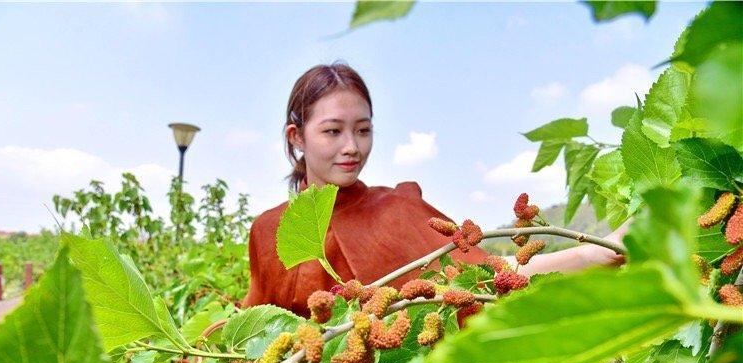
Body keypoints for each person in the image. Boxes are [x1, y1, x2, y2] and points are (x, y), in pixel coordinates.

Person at [242, 62, 626, 318]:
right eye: (332, 131)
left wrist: (598, 253)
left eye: (363, 129)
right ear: (297, 137)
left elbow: (482, 279)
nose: (352, 147)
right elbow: (256, 329)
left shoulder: (397, 210)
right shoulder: (268, 230)